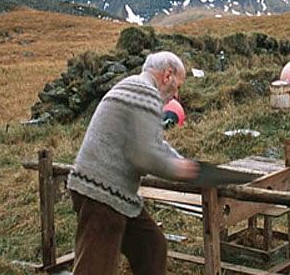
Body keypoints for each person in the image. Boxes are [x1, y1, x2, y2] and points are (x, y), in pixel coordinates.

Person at [66, 51, 200, 275]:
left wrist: (182, 161)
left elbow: (153, 144)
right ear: (168, 75)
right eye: (178, 86)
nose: (176, 95)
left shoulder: (133, 87)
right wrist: (181, 170)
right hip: (102, 193)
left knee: (151, 246)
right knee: (95, 268)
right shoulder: (144, 93)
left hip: (112, 192)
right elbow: (146, 155)